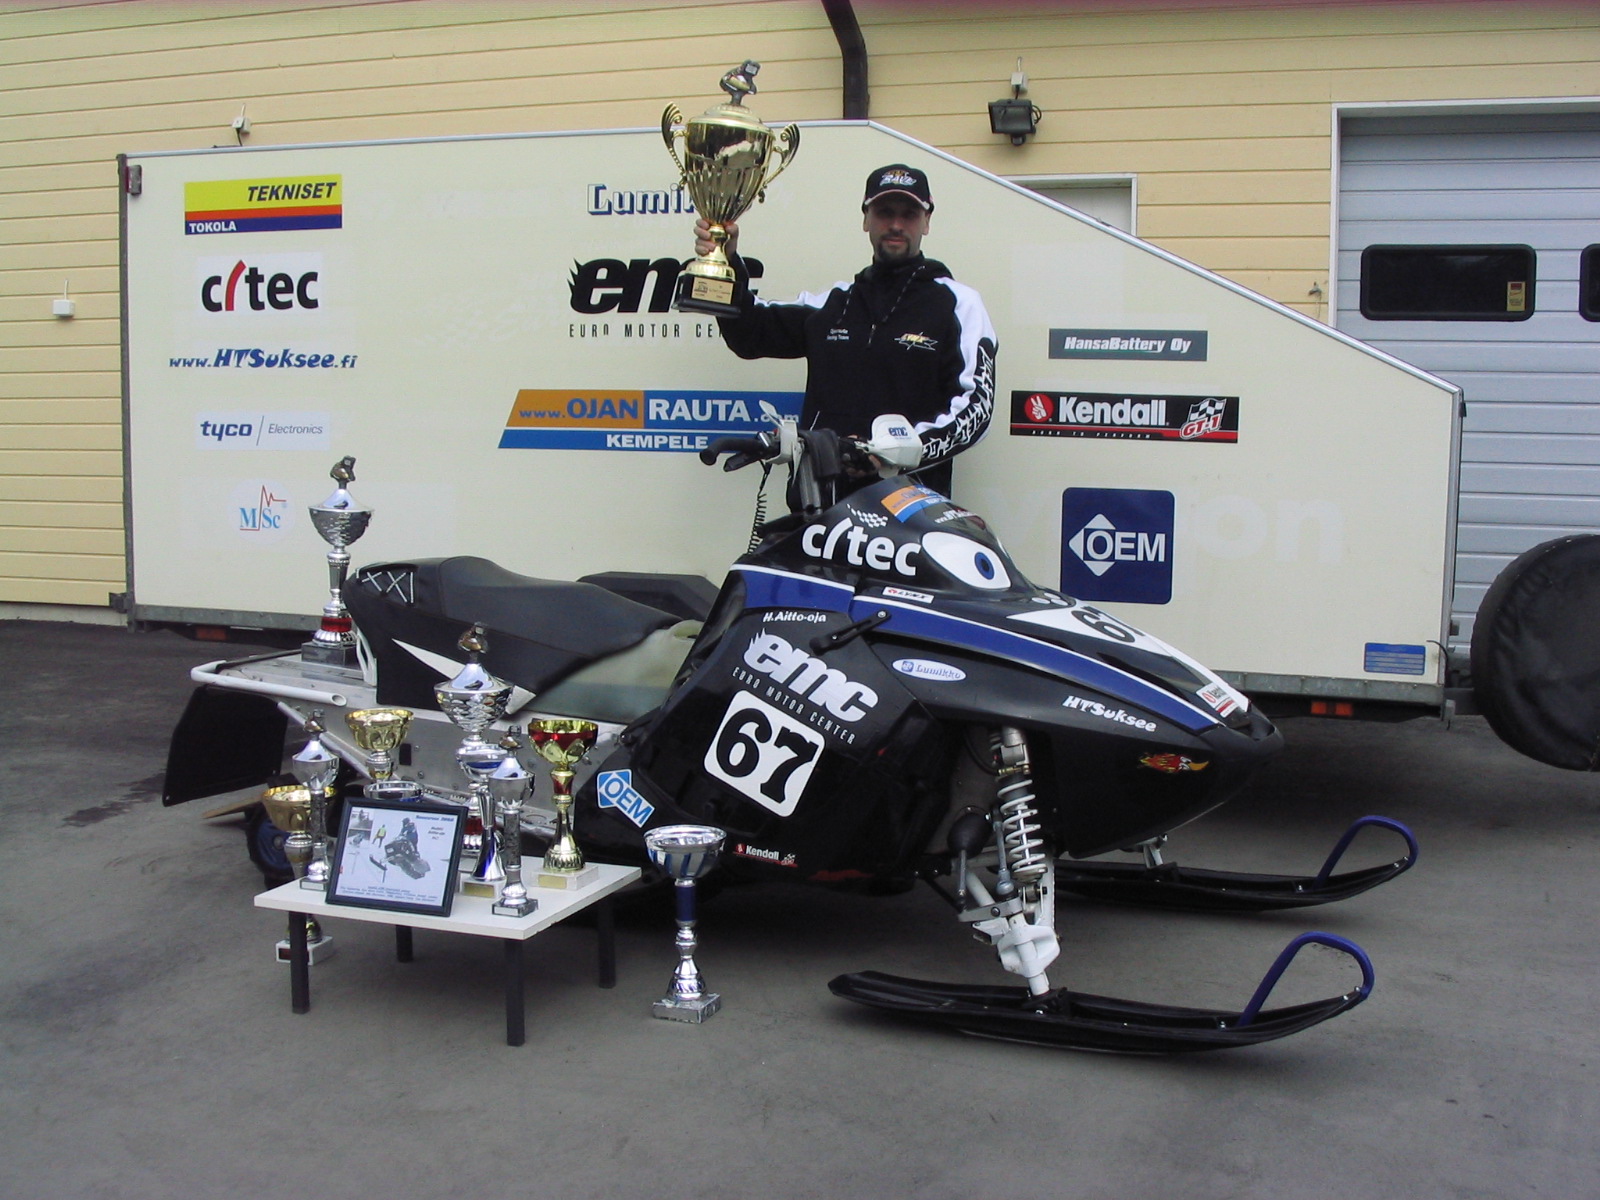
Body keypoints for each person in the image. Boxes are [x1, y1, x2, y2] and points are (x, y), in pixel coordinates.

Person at [694, 163, 997, 497]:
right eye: (884, 212)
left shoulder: (959, 304)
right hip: (820, 505)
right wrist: (726, 261)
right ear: (866, 219)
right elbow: (750, 333)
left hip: (908, 508)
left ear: (926, 221)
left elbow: (976, 409)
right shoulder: (834, 303)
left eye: (909, 214)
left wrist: (890, 451)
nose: (896, 225)